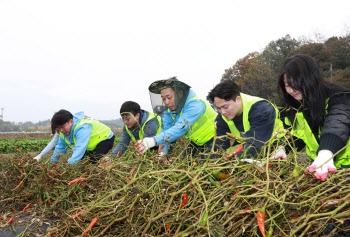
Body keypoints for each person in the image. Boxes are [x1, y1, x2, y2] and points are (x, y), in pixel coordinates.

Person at [278, 54, 350, 181]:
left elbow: (338, 123)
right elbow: (299, 135)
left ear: (311, 79)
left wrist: (326, 153)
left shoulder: (338, 96)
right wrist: (282, 149)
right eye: (287, 85)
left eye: (297, 84)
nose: (291, 90)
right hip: (318, 164)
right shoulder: (293, 106)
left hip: (345, 165)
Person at [135, 77, 218, 158]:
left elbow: (180, 128)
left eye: (169, 97)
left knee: (206, 163)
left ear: (180, 93)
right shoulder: (170, 111)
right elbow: (166, 130)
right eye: (163, 99)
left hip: (216, 138)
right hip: (198, 141)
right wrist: (163, 153)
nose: (166, 102)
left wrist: (153, 141)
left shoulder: (195, 104)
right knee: (185, 161)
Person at [207, 79, 286, 158]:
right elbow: (219, 144)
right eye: (219, 108)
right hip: (248, 148)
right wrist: (208, 160)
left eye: (225, 107)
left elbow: (255, 143)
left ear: (238, 100)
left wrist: (234, 161)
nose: (222, 112)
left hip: (277, 148)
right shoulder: (223, 117)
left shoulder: (261, 109)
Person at [50, 109, 115, 164]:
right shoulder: (63, 132)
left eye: (63, 127)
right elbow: (60, 147)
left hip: (105, 138)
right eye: (59, 128)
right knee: (82, 162)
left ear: (71, 122)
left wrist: (69, 165)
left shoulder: (82, 128)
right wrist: (51, 163)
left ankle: (108, 162)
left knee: (93, 162)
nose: (61, 130)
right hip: (90, 144)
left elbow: (80, 148)